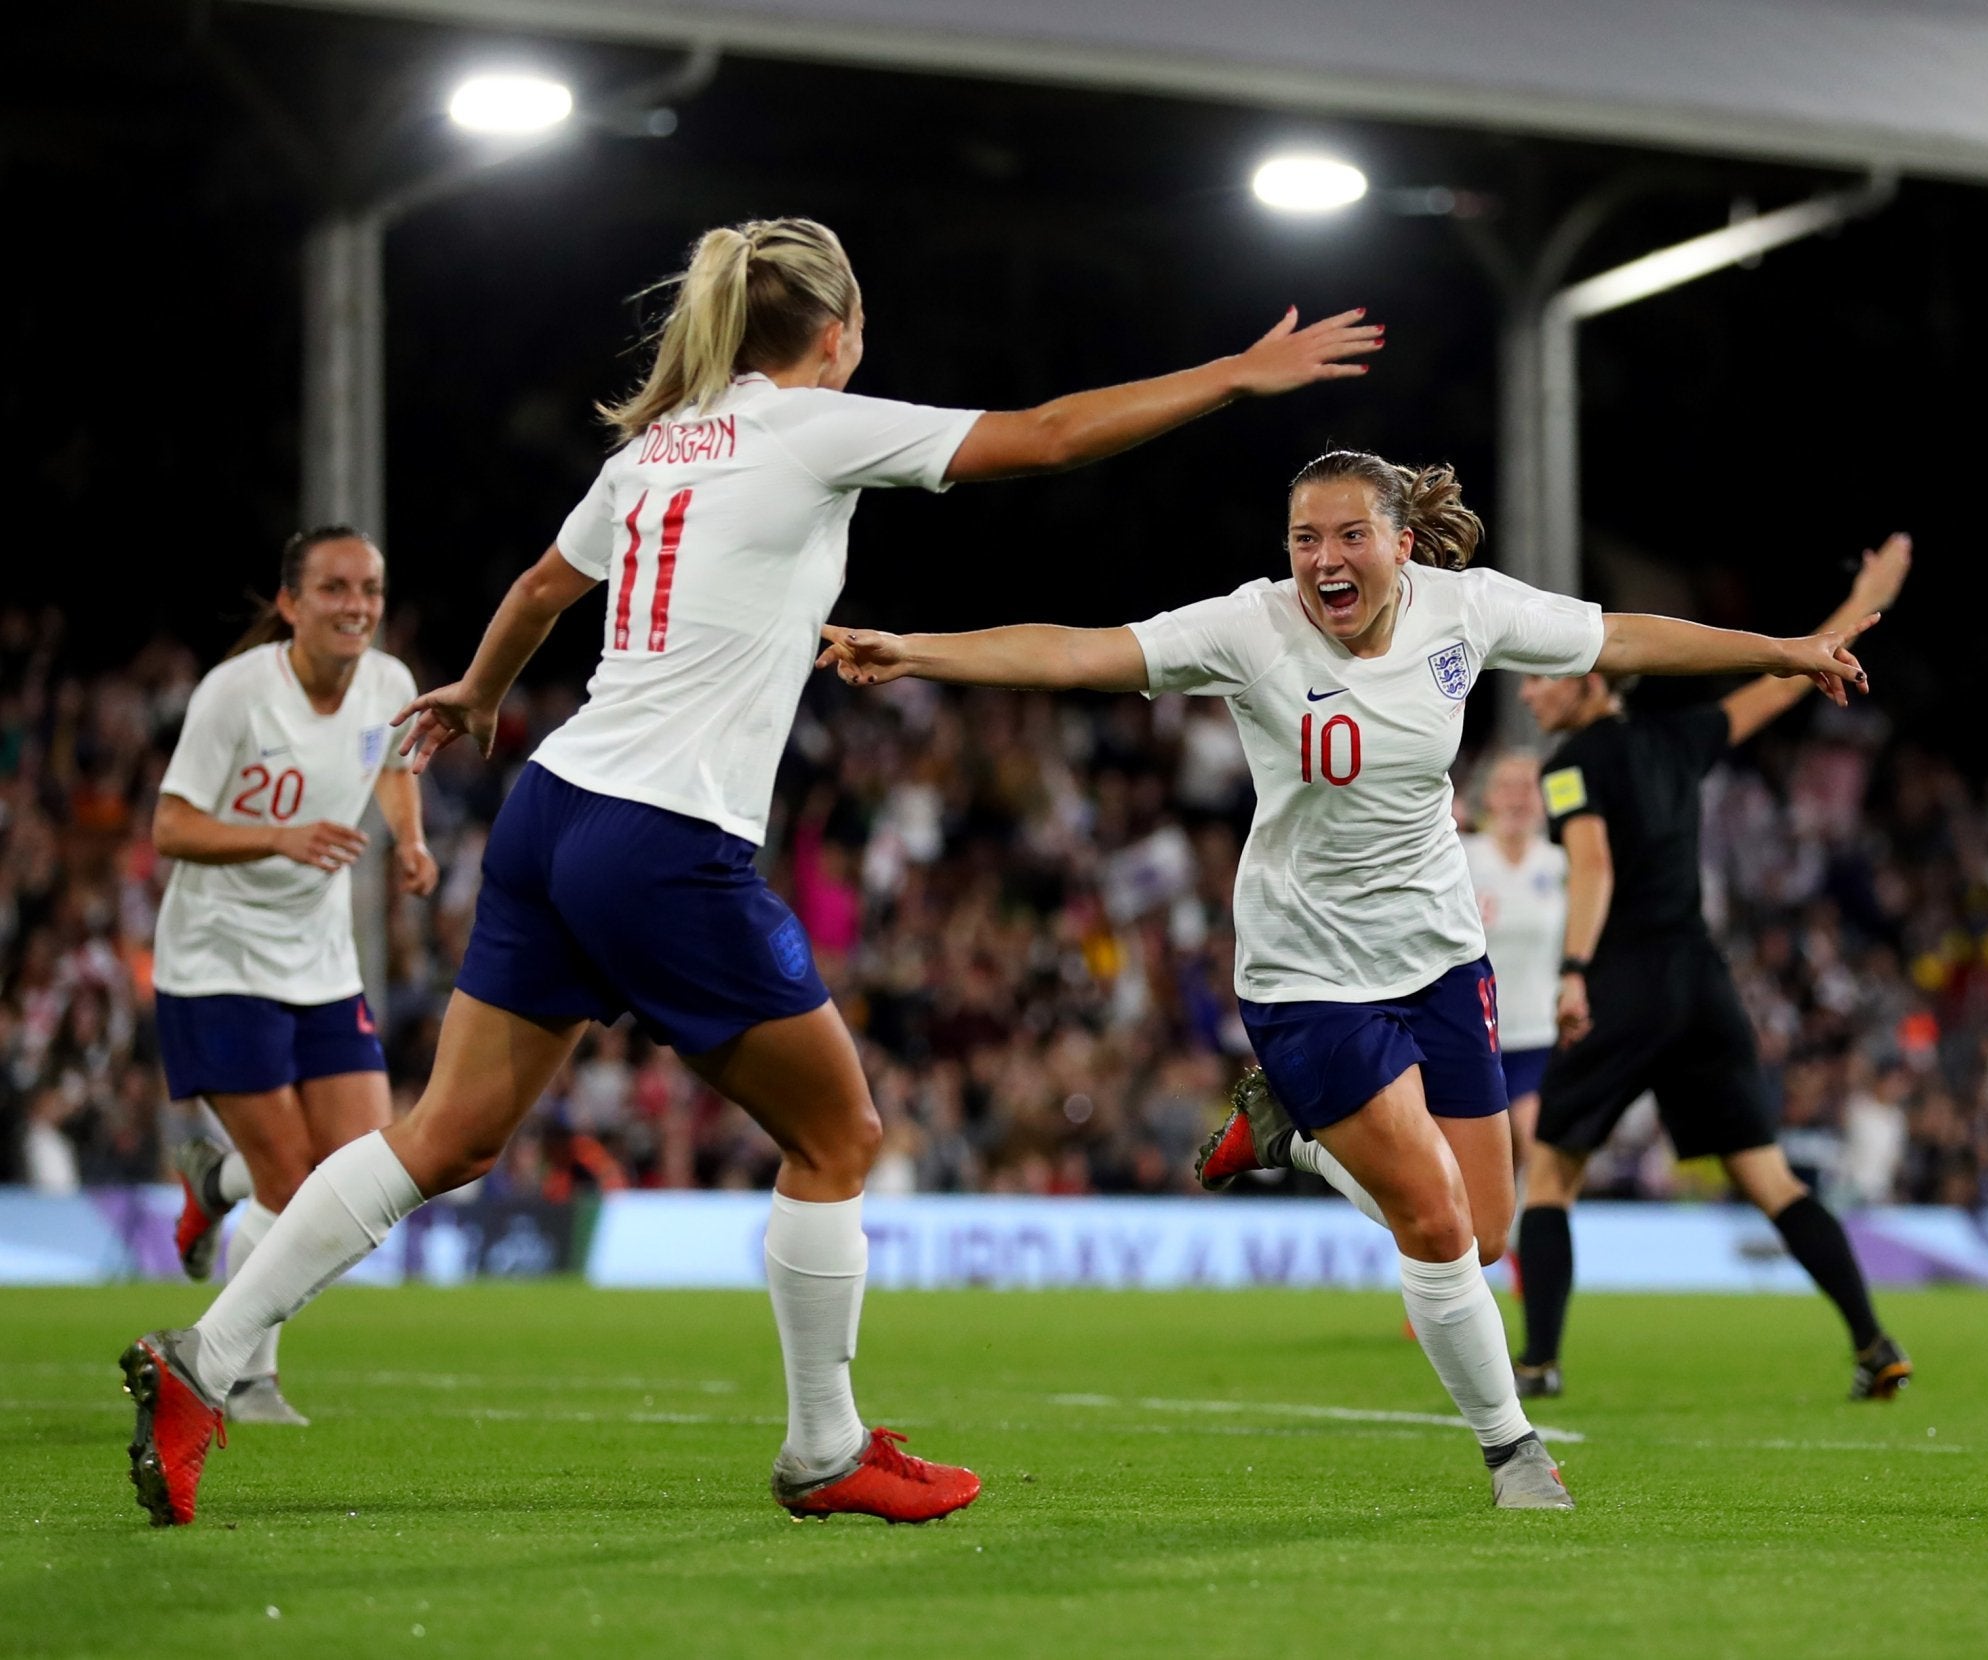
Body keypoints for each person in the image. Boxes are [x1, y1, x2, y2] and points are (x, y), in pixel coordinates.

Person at [119, 215, 1384, 1528]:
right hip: (663, 839)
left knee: (443, 1136)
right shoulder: (809, 425)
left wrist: (484, 699)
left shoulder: (653, 447)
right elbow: (1048, 434)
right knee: (840, 1136)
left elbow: (546, 585)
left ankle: (202, 1361)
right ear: (834, 335)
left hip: (553, 811)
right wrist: (1233, 375)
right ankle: (824, 1449)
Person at [817, 448, 1879, 1512]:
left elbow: (1625, 636)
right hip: (1305, 968)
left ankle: (1295, 1136)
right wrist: (916, 651)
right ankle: (1511, 1450)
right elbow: (1079, 654)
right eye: (1302, 540)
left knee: (1490, 1229)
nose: (1322, 560)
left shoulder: (1463, 612)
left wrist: (1783, 651)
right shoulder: (1251, 629)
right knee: (1431, 1220)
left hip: (1439, 956)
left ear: (1398, 545)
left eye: (1347, 537)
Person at [1511, 535, 1916, 1402]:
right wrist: (1859, 607)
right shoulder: (1678, 741)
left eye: (1541, 675)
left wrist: (1575, 967)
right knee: (1767, 1177)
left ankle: (1538, 1361)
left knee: (1549, 1175)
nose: (1526, 689)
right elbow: (1778, 686)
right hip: (1702, 984)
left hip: (1623, 983)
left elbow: (1592, 868)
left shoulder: (1569, 766)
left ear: (1588, 681)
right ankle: (1873, 1343)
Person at [152, 526, 436, 1428]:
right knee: (290, 1182)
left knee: (363, 1178)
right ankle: (244, 1378)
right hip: (218, 960)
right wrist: (280, 836)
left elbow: (388, 764)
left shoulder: (389, 683)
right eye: (335, 588)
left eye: (370, 589)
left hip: (319, 962)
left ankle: (215, 1187)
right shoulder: (236, 695)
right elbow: (170, 826)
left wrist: (412, 838)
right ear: (290, 602)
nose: (356, 605)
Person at [1458, 753, 1567, 1170]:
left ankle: (1533, 1233)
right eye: (1506, 786)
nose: (1517, 798)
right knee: (1488, 1161)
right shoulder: (1462, 858)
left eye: (1527, 787)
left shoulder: (1563, 863)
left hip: (1539, 1034)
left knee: (1539, 1149)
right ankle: (1492, 1237)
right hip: (1476, 1034)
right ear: (1488, 796)